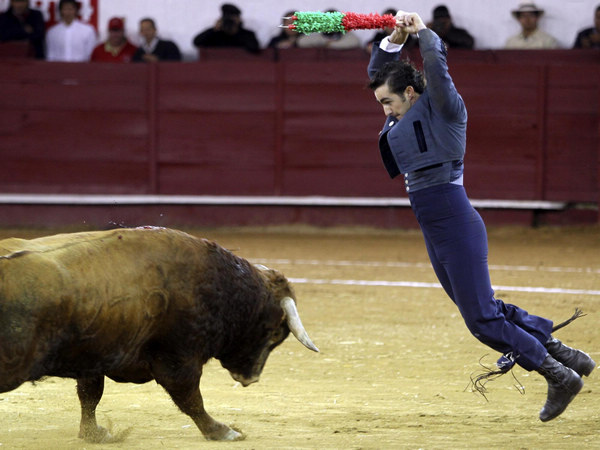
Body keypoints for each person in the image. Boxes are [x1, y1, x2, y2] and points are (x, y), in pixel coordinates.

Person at [366, 10, 594, 422]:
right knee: (483, 309)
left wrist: (424, 33)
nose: (385, 111)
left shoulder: (446, 109)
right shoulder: (404, 106)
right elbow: (381, 71)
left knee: (482, 319)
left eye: (388, 102)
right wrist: (396, 38)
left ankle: (559, 374)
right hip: (437, 226)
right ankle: (563, 354)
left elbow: (436, 69)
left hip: (453, 221)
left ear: (412, 94)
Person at [193, 3, 260, 54]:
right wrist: (213, 30)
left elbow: (254, 48)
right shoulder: (215, 34)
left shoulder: (247, 34)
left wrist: (236, 32)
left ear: (239, 20)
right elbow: (197, 42)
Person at [297, 9, 361, 50]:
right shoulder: (318, 34)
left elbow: (354, 42)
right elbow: (301, 42)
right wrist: (324, 42)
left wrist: (330, 45)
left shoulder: (346, 34)